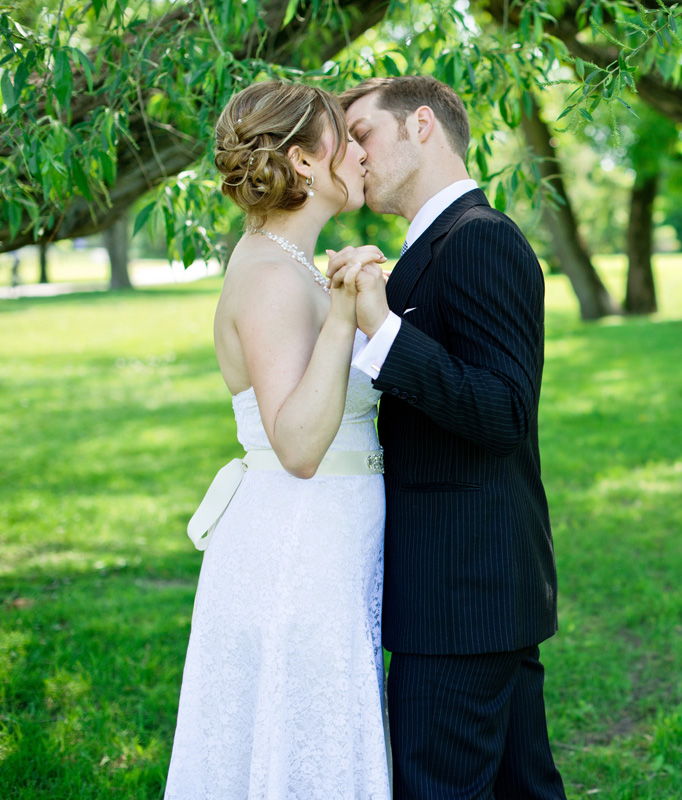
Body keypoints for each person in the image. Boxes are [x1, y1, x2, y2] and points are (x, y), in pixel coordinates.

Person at [327, 76, 567, 799]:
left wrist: (383, 329)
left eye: (361, 134)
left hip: (462, 594)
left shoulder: (481, 241)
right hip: (467, 590)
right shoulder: (428, 251)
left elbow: (502, 413)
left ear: (420, 126)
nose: (353, 156)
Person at [166, 81, 392, 799]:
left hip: (326, 539)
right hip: (295, 544)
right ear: (303, 163)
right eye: (345, 139)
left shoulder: (291, 264)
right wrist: (342, 315)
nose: (360, 153)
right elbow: (296, 446)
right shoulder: (268, 275)